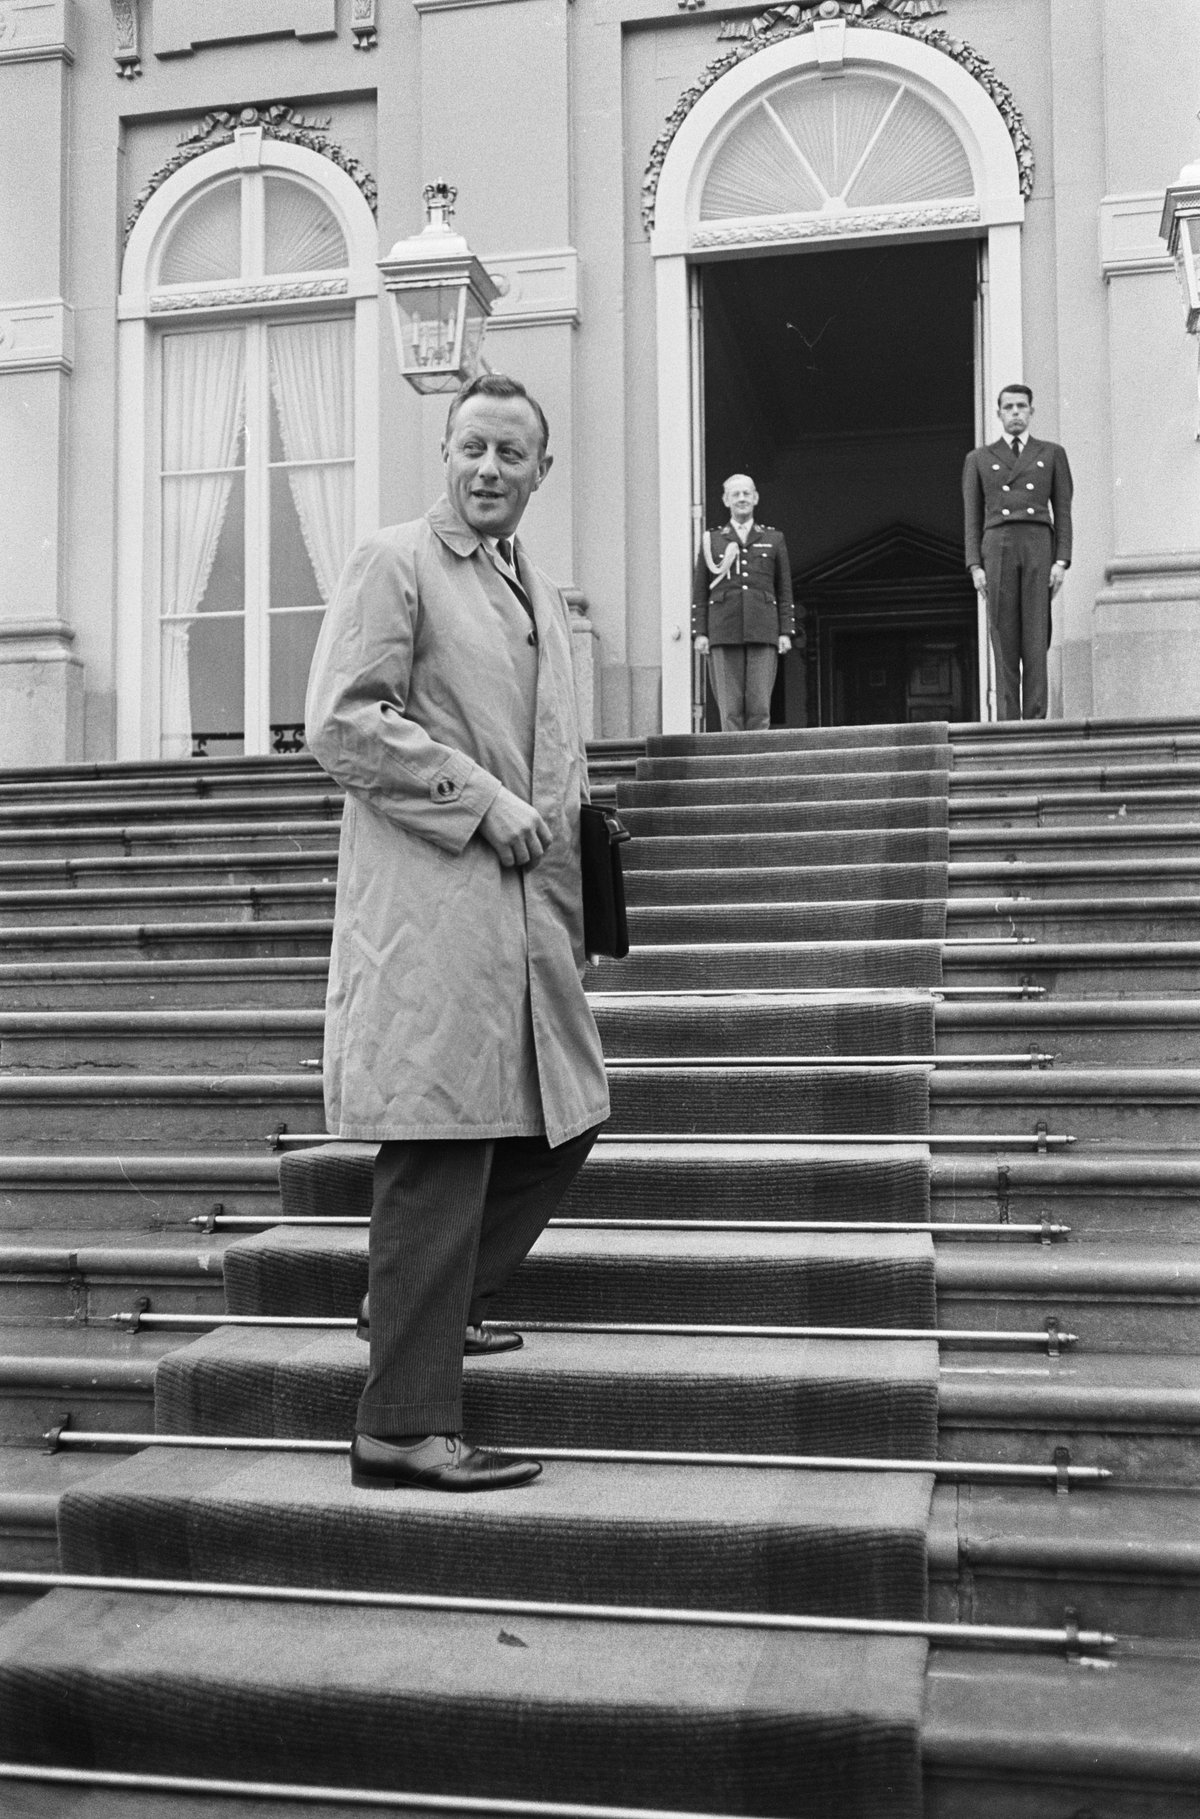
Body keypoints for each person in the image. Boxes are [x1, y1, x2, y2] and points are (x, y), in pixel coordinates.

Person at [305, 372, 609, 1494]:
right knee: (439, 1149)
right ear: (444, 451)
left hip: (525, 914)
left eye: (511, 454)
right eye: (471, 447)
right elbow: (343, 721)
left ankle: (417, 1308)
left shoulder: (527, 579)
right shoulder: (395, 558)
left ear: (541, 472)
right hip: (433, 908)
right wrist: (481, 799)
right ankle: (400, 1423)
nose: (489, 468)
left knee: (563, 1120)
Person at [963, 383, 1074, 720]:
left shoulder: (1051, 453)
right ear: (998, 414)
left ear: (1031, 412)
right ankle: (1009, 721)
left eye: (1021, 406)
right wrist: (974, 565)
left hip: (1038, 545)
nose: (1015, 412)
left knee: (1037, 634)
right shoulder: (979, 459)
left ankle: (1037, 717)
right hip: (997, 548)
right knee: (1004, 635)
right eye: (1008, 407)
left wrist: (1061, 560)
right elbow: (972, 516)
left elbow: (1063, 510)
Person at [692, 474, 795, 732]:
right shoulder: (712, 540)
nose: (741, 499)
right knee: (730, 710)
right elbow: (700, 589)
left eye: (746, 494)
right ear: (726, 500)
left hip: (763, 629)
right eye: (735, 494)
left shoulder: (774, 539)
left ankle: (758, 767)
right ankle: (734, 766)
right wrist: (700, 632)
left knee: (760, 707)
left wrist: (785, 631)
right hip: (723, 629)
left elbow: (784, 589)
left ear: (755, 498)